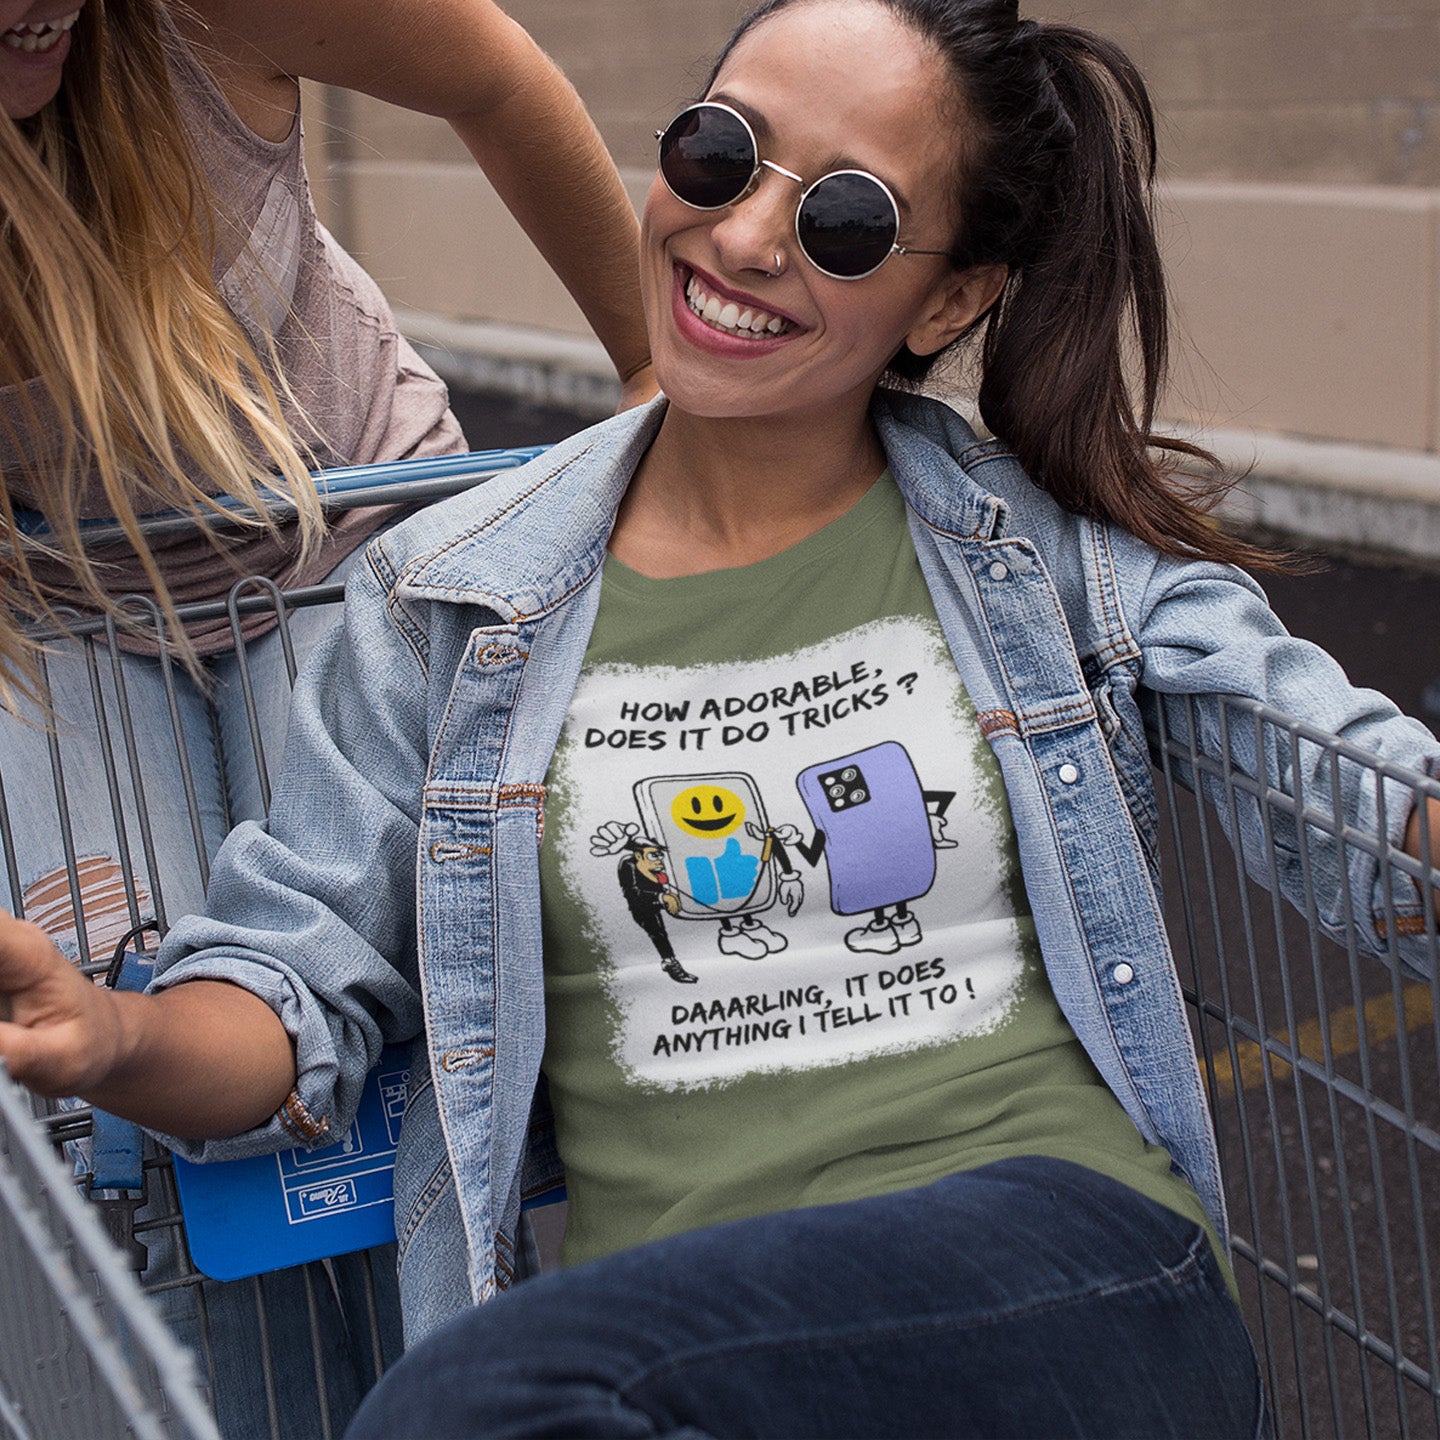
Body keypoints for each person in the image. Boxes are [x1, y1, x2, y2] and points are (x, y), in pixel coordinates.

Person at [2, 0, 1438, 1434]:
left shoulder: (1054, 566)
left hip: (1060, 1286)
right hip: (684, 1362)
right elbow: (289, 980)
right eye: (719, 151)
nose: (746, 235)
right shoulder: (447, 604)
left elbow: (1354, 795)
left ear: (948, 302)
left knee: (487, 1402)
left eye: (849, 221)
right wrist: (112, 1037)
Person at [1, 0, 650, 1431]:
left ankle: (449, 1400)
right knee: (119, 1040)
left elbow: (495, 73)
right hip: (72, 607)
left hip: (348, 542)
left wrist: (659, 382)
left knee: (405, 1007)